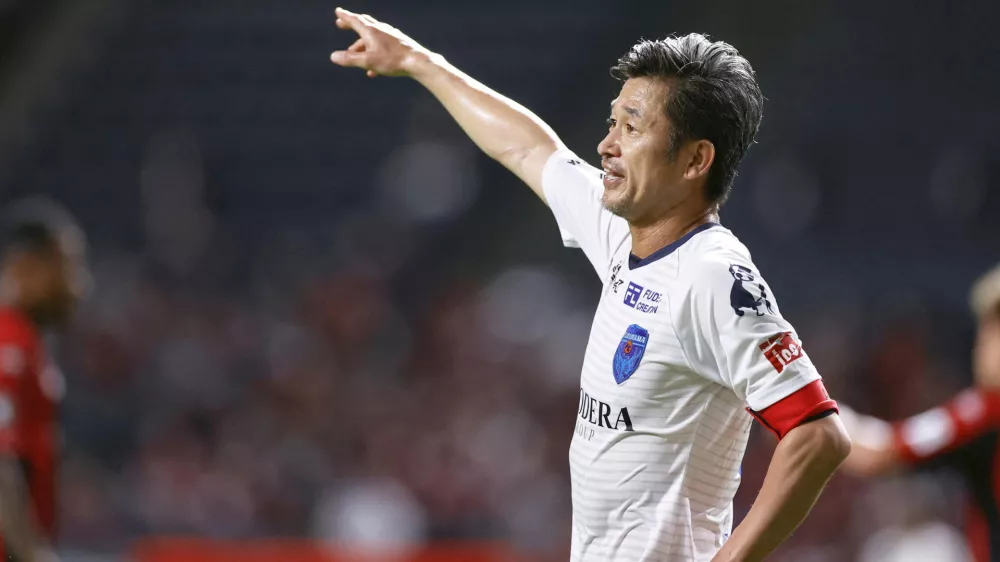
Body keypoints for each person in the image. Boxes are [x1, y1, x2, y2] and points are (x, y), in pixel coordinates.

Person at [330, 8, 850, 561]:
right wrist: (419, 62)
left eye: (632, 127)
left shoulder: (713, 276)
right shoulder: (625, 234)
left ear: (696, 159)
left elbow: (817, 435)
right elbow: (529, 148)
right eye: (611, 123)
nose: (607, 145)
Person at [839, 263, 1000, 562]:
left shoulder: (987, 409)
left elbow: (880, 451)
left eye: (991, 330)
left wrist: (808, 413)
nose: (983, 346)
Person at [0, 198, 89, 562]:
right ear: (26, 267)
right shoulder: (9, 340)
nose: (77, 284)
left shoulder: (27, 344)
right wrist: (33, 555)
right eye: (65, 266)